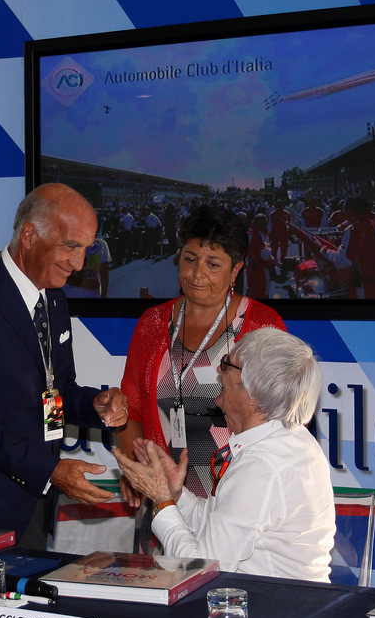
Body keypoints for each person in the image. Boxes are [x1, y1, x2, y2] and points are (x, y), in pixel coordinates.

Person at [0, 183, 128, 542]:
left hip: (34, 502)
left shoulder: (54, 301)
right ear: (30, 235)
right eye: (71, 246)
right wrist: (50, 470)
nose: (79, 264)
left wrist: (93, 405)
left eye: (86, 249)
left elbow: (56, 389)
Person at [113, 328, 335, 581]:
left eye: (227, 364)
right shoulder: (288, 440)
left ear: (254, 391)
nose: (219, 371)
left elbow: (201, 569)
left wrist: (162, 499)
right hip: (284, 603)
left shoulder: (261, 465)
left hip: (271, 611)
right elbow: (220, 528)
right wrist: (176, 495)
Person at [118, 205, 285, 500]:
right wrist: (137, 468)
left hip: (239, 501)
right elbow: (130, 411)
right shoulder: (152, 323)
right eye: (190, 259)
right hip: (163, 501)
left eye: (213, 264)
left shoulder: (262, 326)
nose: (197, 274)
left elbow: (283, 422)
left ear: (235, 269)